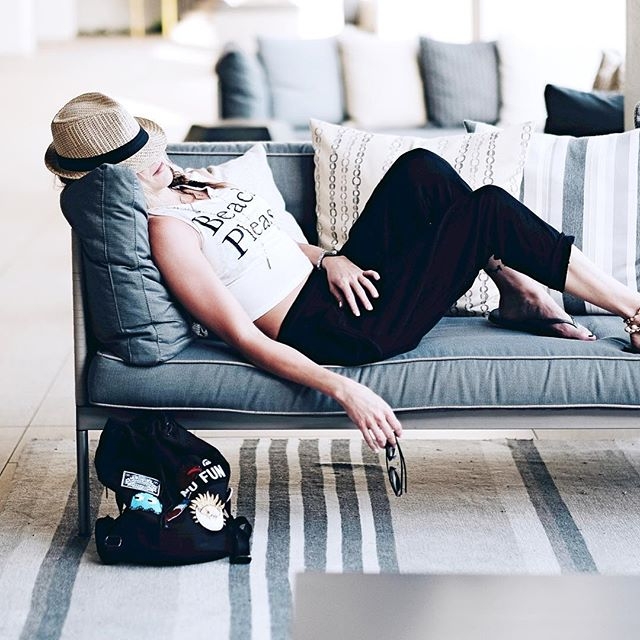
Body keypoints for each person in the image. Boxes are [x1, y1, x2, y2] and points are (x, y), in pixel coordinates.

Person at [45, 93, 640, 452]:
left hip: (333, 284)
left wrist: (332, 259)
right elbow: (244, 337)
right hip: (340, 328)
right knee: (487, 208)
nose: (158, 160)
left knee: (420, 168)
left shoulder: (194, 182)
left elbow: (285, 244)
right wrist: (342, 387)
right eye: (138, 162)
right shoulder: (167, 233)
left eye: (149, 148)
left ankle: (516, 291)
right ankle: (631, 307)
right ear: (108, 179)